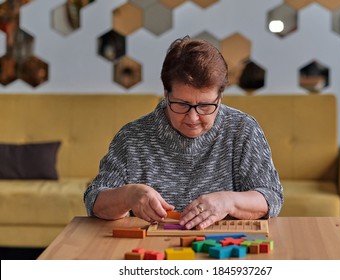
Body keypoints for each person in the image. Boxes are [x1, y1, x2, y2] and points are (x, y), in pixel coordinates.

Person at [84, 36, 283, 230]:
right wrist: (129, 195)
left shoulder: (242, 130)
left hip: (223, 252)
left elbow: (271, 196)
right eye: (181, 104)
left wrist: (228, 201)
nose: (193, 118)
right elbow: (94, 201)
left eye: (205, 106)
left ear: (220, 98)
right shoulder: (132, 137)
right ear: (166, 94)